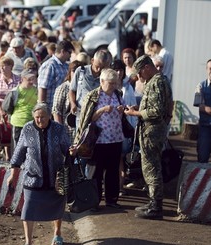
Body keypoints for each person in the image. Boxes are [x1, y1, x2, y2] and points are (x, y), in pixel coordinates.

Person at [7, 103, 73, 245]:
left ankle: (57, 233)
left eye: (43, 117)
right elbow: (19, 152)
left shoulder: (59, 129)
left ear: (49, 116)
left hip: (55, 178)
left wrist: (71, 152)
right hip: (33, 177)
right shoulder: (28, 128)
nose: (39, 120)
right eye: (37, 117)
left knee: (57, 207)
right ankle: (28, 241)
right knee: (28, 208)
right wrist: (13, 174)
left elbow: (67, 149)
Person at [124, 55, 173, 219]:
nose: (139, 77)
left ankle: (156, 207)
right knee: (151, 167)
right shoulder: (159, 80)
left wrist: (135, 113)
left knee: (152, 167)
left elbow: (156, 111)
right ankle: (153, 202)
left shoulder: (156, 82)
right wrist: (139, 107)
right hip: (153, 131)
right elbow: (156, 106)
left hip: (152, 132)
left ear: (146, 67)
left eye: (139, 73)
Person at [73, 68, 125, 209]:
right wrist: (101, 110)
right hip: (98, 140)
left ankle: (111, 200)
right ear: (102, 81)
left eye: (115, 83)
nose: (113, 86)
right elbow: (86, 118)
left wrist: (122, 109)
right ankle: (94, 201)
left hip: (115, 138)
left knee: (113, 171)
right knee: (95, 171)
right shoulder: (92, 96)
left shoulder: (118, 94)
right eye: (111, 83)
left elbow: (123, 114)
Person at [111, 59, 138, 196]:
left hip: (124, 126)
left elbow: (132, 107)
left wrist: (133, 127)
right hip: (109, 127)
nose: (118, 72)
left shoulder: (128, 87)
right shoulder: (108, 85)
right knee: (111, 159)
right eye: (116, 70)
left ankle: (120, 187)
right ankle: (112, 187)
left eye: (121, 70)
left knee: (121, 157)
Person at [0, 56, 21, 161]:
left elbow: (19, 95)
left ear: (11, 66)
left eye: (5, 66)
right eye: (0, 66)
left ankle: (9, 158)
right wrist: (0, 110)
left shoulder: (17, 79)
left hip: (11, 110)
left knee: (9, 134)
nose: (2, 68)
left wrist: (8, 111)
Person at [69, 50, 112, 127]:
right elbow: (72, 90)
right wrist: (73, 103)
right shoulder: (81, 71)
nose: (98, 70)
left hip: (98, 116)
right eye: (97, 66)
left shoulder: (106, 77)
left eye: (102, 68)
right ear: (92, 60)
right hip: (81, 114)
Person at [37, 40, 74, 110]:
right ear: (63, 51)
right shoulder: (50, 65)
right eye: (69, 52)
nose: (70, 55)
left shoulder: (66, 65)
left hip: (61, 107)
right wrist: (42, 108)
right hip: (50, 107)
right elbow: (42, 88)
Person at [52, 60, 83, 142]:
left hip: (81, 128)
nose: (76, 74)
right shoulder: (63, 88)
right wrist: (60, 132)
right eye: (74, 71)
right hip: (67, 130)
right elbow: (56, 111)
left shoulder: (84, 88)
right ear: (70, 72)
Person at [9, 69, 38, 147]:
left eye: (33, 79)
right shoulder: (15, 91)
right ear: (22, 79)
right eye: (29, 79)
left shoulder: (37, 90)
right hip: (18, 122)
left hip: (32, 123)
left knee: (30, 147)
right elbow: (7, 107)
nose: (31, 81)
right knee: (17, 147)